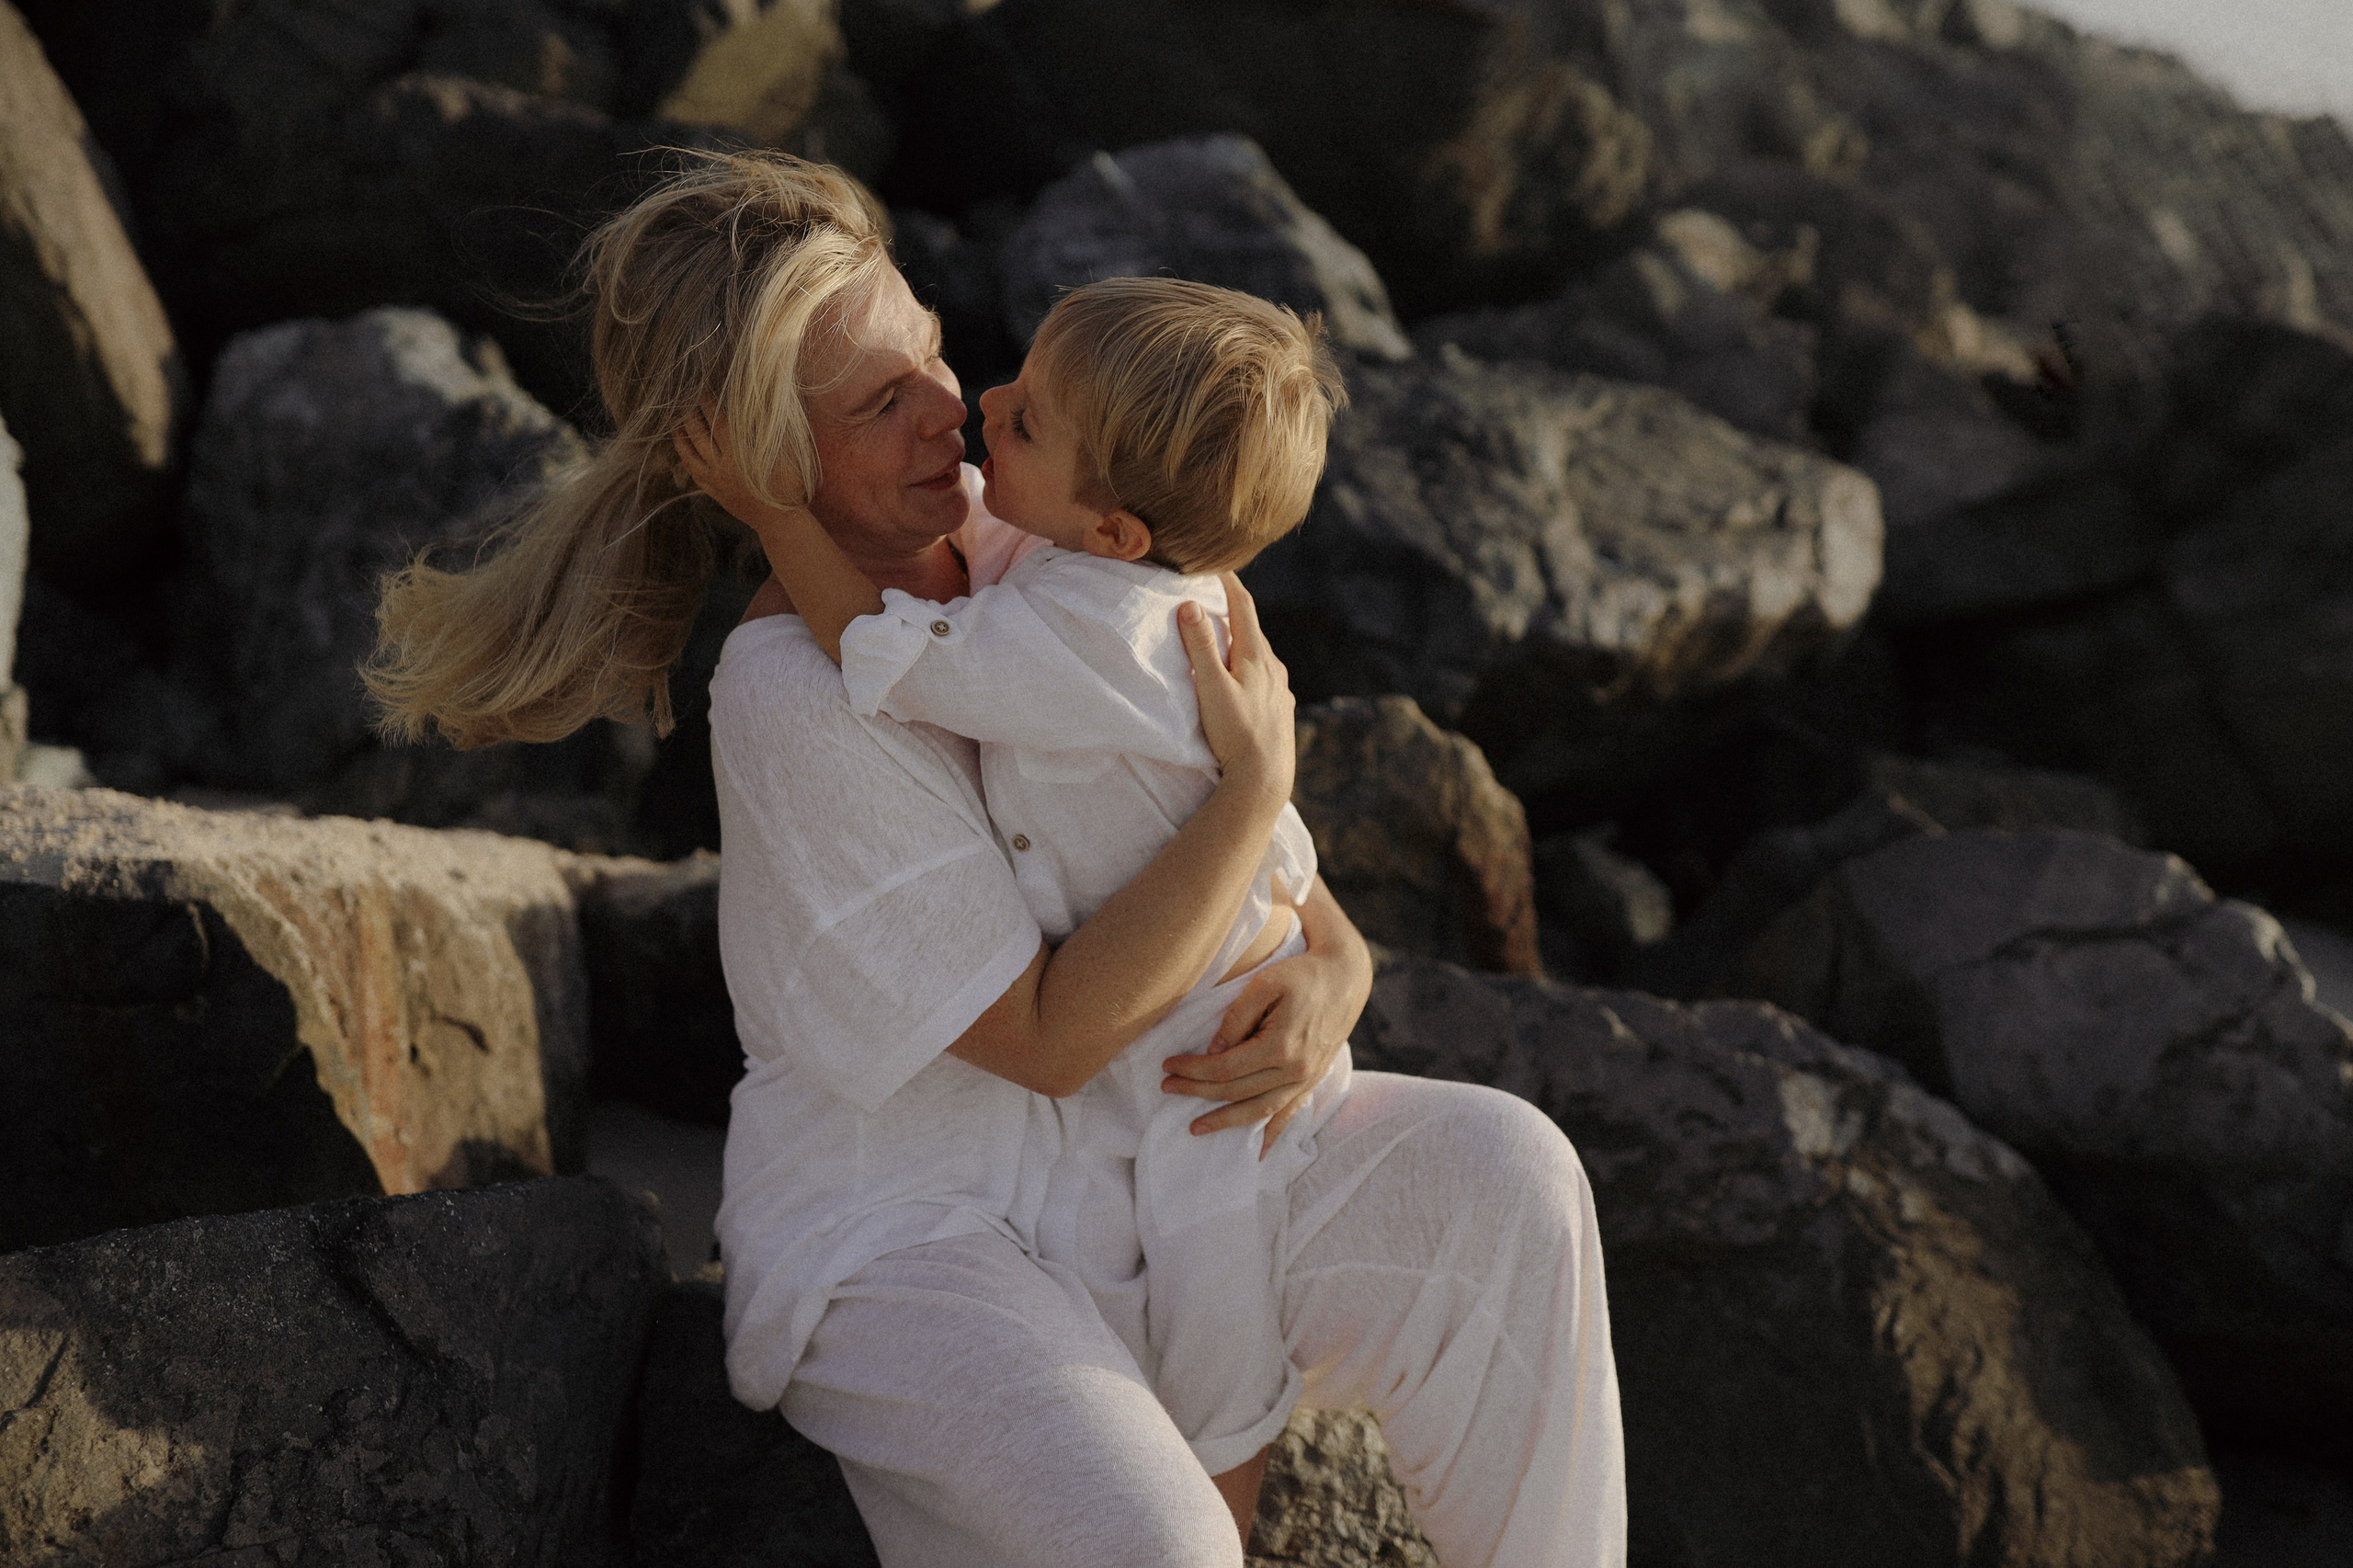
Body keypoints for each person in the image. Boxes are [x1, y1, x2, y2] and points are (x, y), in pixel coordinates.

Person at [366, 149, 1626, 1566]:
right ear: (768, 458)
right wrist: (1252, 787)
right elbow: (1049, 1036)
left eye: (931, 356)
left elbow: (1245, 852)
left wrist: (1336, 958)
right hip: (919, 1243)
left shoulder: (1042, 531)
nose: (951, 411)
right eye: (881, 404)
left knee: (1509, 1173)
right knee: (1160, 1546)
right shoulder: (790, 699)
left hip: (1167, 1170)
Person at [677, 274, 1350, 1492]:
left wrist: (776, 520)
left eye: (1018, 410)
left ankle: (1236, 1496)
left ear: (1116, 532)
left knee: (1215, 1319)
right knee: (1203, 1332)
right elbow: (1243, 848)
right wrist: (1295, 867)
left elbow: (880, 649)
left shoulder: (1067, 616)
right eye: (892, 395)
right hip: (1035, 1140)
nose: (969, 402)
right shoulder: (1109, 568)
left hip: (1197, 1053)